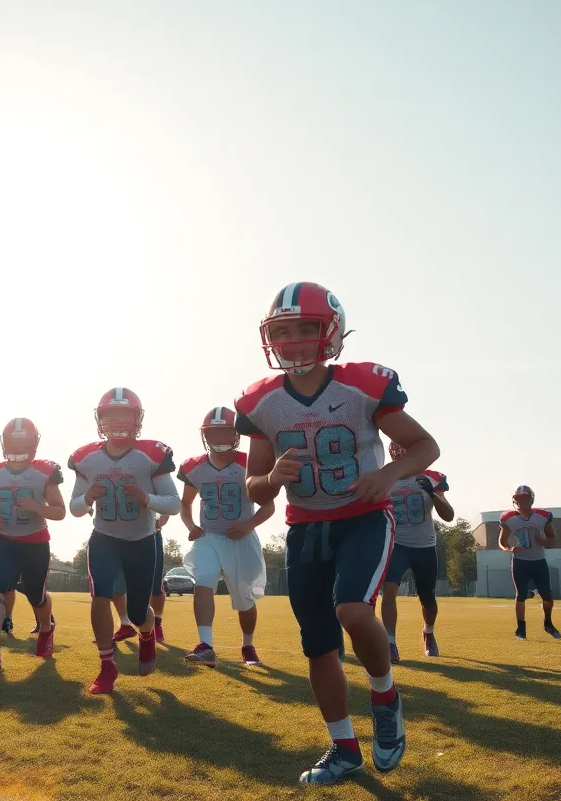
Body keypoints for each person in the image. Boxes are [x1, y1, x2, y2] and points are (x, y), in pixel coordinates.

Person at [237, 282, 439, 785]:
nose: (295, 341)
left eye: (306, 329)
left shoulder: (362, 385)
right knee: (318, 645)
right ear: (269, 338)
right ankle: (344, 747)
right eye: (283, 331)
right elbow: (255, 488)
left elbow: (424, 445)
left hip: (364, 516)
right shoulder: (260, 402)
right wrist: (272, 477)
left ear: (329, 333)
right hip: (305, 528)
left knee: (351, 607)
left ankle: (385, 694)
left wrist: (389, 475)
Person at [69, 388, 180, 695]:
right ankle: (107, 666)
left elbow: (173, 503)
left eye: (124, 414)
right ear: (100, 420)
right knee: (99, 596)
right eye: (110, 415)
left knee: (137, 611)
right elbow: (75, 507)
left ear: (137, 419)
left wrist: (146, 498)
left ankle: (146, 635)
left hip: (141, 540)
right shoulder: (86, 457)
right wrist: (87, 498)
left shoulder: (151, 454)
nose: (117, 420)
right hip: (104, 538)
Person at [180, 407, 274, 667]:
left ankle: (247, 645)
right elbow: (185, 504)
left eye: (225, 432)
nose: (220, 438)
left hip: (241, 539)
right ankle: (206, 645)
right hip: (209, 536)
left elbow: (269, 508)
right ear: (205, 435)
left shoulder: (249, 463)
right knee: (203, 581)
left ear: (236, 434)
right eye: (215, 432)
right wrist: (190, 526)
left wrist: (247, 525)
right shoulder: (193, 467)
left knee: (245, 598)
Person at [0, 418, 65, 669]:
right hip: (3, 541)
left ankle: (46, 628)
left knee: (36, 595)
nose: (17, 448)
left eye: (22, 443)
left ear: (34, 444)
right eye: (14, 443)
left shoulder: (44, 472)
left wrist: (37, 507)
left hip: (35, 543)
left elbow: (59, 511)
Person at [381, 442, 453, 661]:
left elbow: (448, 516)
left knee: (427, 599)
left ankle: (428, 632)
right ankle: (390, 642)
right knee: (389, 590)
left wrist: (433, 494)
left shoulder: (431, 477)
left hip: (424, 546)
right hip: (396, 544)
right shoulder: (385, 476)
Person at [499, 486, 561, 640]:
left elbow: (553, 540)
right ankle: (520, 628)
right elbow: (502, 542)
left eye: (524, 498)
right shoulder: (508, 518)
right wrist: (511, 548)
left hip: (538, 561)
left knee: (547, 596)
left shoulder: (542, 516)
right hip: (520, 562)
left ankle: (548, 622)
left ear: (531, 499)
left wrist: (544, 541)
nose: (521, 501)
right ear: (515, 500)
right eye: (519, 498)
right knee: (520, 595)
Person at [109, 514, 169, 644]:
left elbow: (169, 501)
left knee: (155, 587)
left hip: (148, 535)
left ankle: (156, 623)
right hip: (118, 537)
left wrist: (160, 522)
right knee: (115, 585)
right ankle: (125, 625)